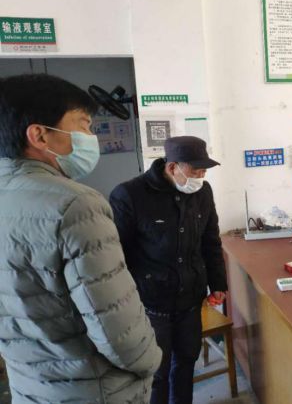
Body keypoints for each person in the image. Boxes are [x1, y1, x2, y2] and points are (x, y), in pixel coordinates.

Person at [0, 74, 162, 403]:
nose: (91, 137)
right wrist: (150, 361)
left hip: (30, 386)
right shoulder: (75, 205)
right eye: (83, 125)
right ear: (39, 135)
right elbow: (117, 327)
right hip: (94, 387)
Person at [109, 136, 228, 404]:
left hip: (191, 299)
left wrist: (218, 283)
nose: (201, 177)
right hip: (151, 303)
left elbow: (210, 241)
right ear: (173, 167)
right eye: (195, 171)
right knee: (157, 372)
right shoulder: (129, 195)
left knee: (186, 361)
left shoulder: (202, 192)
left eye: (204, 171)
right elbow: (118, 256)